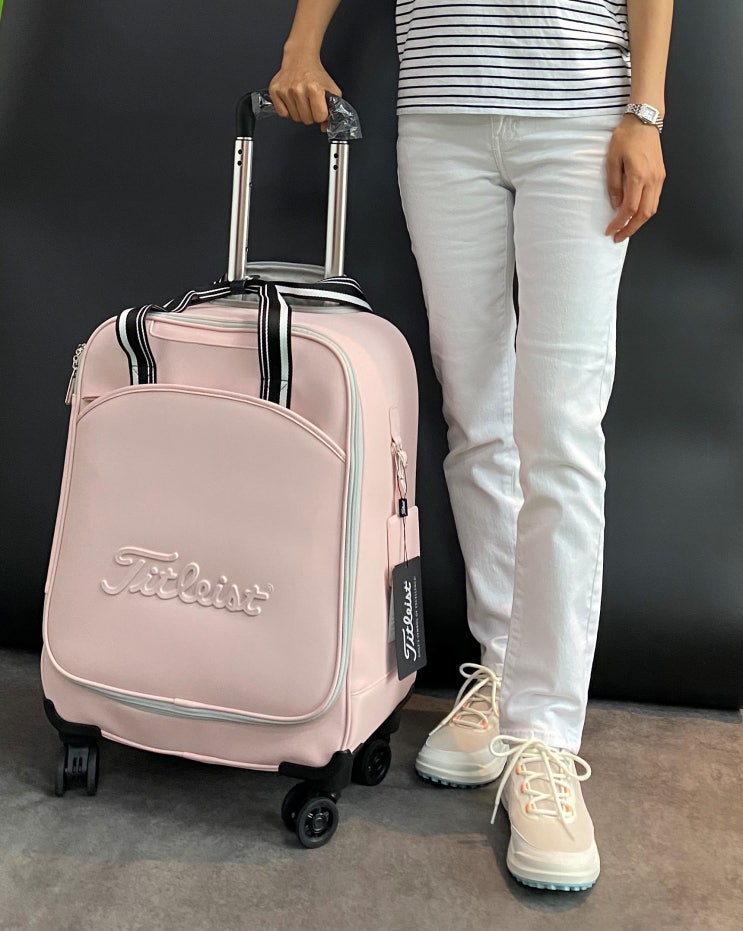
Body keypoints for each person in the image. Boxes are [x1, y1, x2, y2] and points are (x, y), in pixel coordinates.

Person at [270, 0, 672, 891]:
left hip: (578, 116)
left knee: (558, 432)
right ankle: (500, 669)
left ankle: (545, 738)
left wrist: (644, 111)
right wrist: (302, 43)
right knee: (474, 416)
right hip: (441, 117)